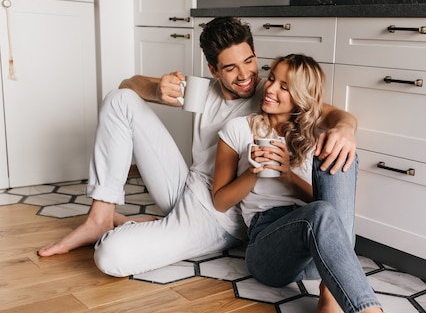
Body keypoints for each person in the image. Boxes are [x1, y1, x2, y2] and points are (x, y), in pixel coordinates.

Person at [37, 17, 357, 278]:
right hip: (185, 186)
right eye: (230, 68)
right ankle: (100, 219)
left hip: (218, 214)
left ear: (255, 53)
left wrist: (346, 127)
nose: (245, 75)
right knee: (119, 100)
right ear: (213, 70)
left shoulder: (269, 93)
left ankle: (160, 231)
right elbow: (127, 84)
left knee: (111, 256)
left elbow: (329, 112)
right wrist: (157, 88)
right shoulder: (202, 92)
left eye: (249, 61)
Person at [212, 53, 426, 313]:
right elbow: (220, 200)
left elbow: (321, 202)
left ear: (302, 98)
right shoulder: (238, 129)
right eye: (272, 79)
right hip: (268, 248)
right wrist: (253, 175)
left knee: (341, 157)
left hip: (320, 248)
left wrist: (287, 176)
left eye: (285, 86)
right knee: (321, 214)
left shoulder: (314, 135)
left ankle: (331, 298)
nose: (270, 89)